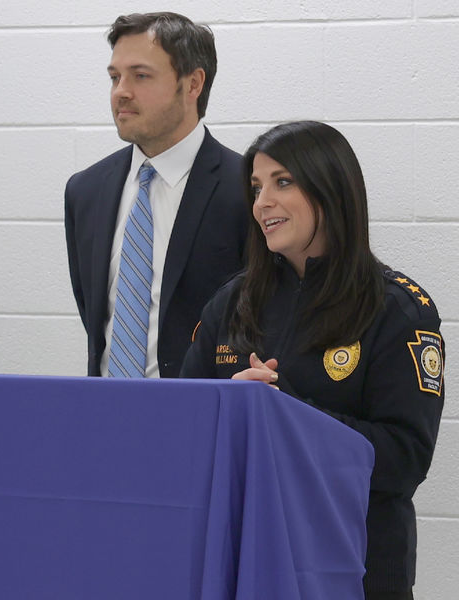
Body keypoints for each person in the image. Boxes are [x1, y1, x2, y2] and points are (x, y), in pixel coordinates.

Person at [180, 121, 444, 599]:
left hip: (354, 570)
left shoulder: (396, 308)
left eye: (283, 182)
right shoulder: (231, 302)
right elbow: (180, 424)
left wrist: (284, 414)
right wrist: (230, 407)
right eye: (257, 187)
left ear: (331, 187)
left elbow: (404, 461)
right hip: (244, 564)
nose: (262, 203)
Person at [65, 11, 247, 379]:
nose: (121, 92)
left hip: (207, 421)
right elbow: (95, 316)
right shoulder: (85, 191)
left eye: (141, 76)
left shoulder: (247, 190)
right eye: (115, 77)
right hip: (107, 418)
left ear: (193, 83)